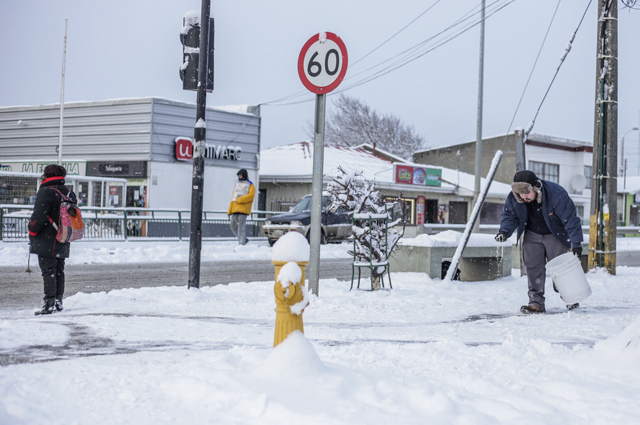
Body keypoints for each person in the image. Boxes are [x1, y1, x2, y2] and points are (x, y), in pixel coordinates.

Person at [495, 170, 583, 314]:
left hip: (555, 234)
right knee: (533, 268)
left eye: (526, 193)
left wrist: (576, 243)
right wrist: (504, 231)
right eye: (520, 194)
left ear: (536, 187)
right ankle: (536, 303)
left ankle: (570, 298)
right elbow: (510, 216)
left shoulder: (556, 193)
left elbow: (570, 219)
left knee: (561, 269)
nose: (524, 197)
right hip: (532, 233)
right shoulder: (514, 197)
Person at [28, 164, 77, 315]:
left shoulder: (45, 191)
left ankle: (49, 305)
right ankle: (58, 302)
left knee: (48, 271)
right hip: (63, 235)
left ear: (46, 175)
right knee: (58, 270)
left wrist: (31, 230)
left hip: (47, 238)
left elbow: (39, 217)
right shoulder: (69, 192)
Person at [227, 168, 255, 245]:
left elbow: (251, 196)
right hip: (235, 209)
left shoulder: (250, 184)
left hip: (243, 210)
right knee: (233, 226)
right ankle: (243, 239)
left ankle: (241, 243)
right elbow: (233, 198)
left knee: (241, 227)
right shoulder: (237, 185)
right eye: (238, 175)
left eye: (240, 175)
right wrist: (230, 210)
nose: (239, 176)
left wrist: (240, 200)